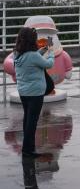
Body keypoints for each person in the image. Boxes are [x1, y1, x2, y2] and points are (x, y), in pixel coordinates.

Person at [12, 27, 53, 158]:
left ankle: (27, 148)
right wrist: (51, 52)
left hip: (23, 92)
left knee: (27, 119)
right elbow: (49, 64)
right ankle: (28, 150)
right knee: (32, 122)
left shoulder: (17, 53)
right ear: (32, 40)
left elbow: (32, 58)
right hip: (35, 93)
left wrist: (43, 50)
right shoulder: (33, 55)